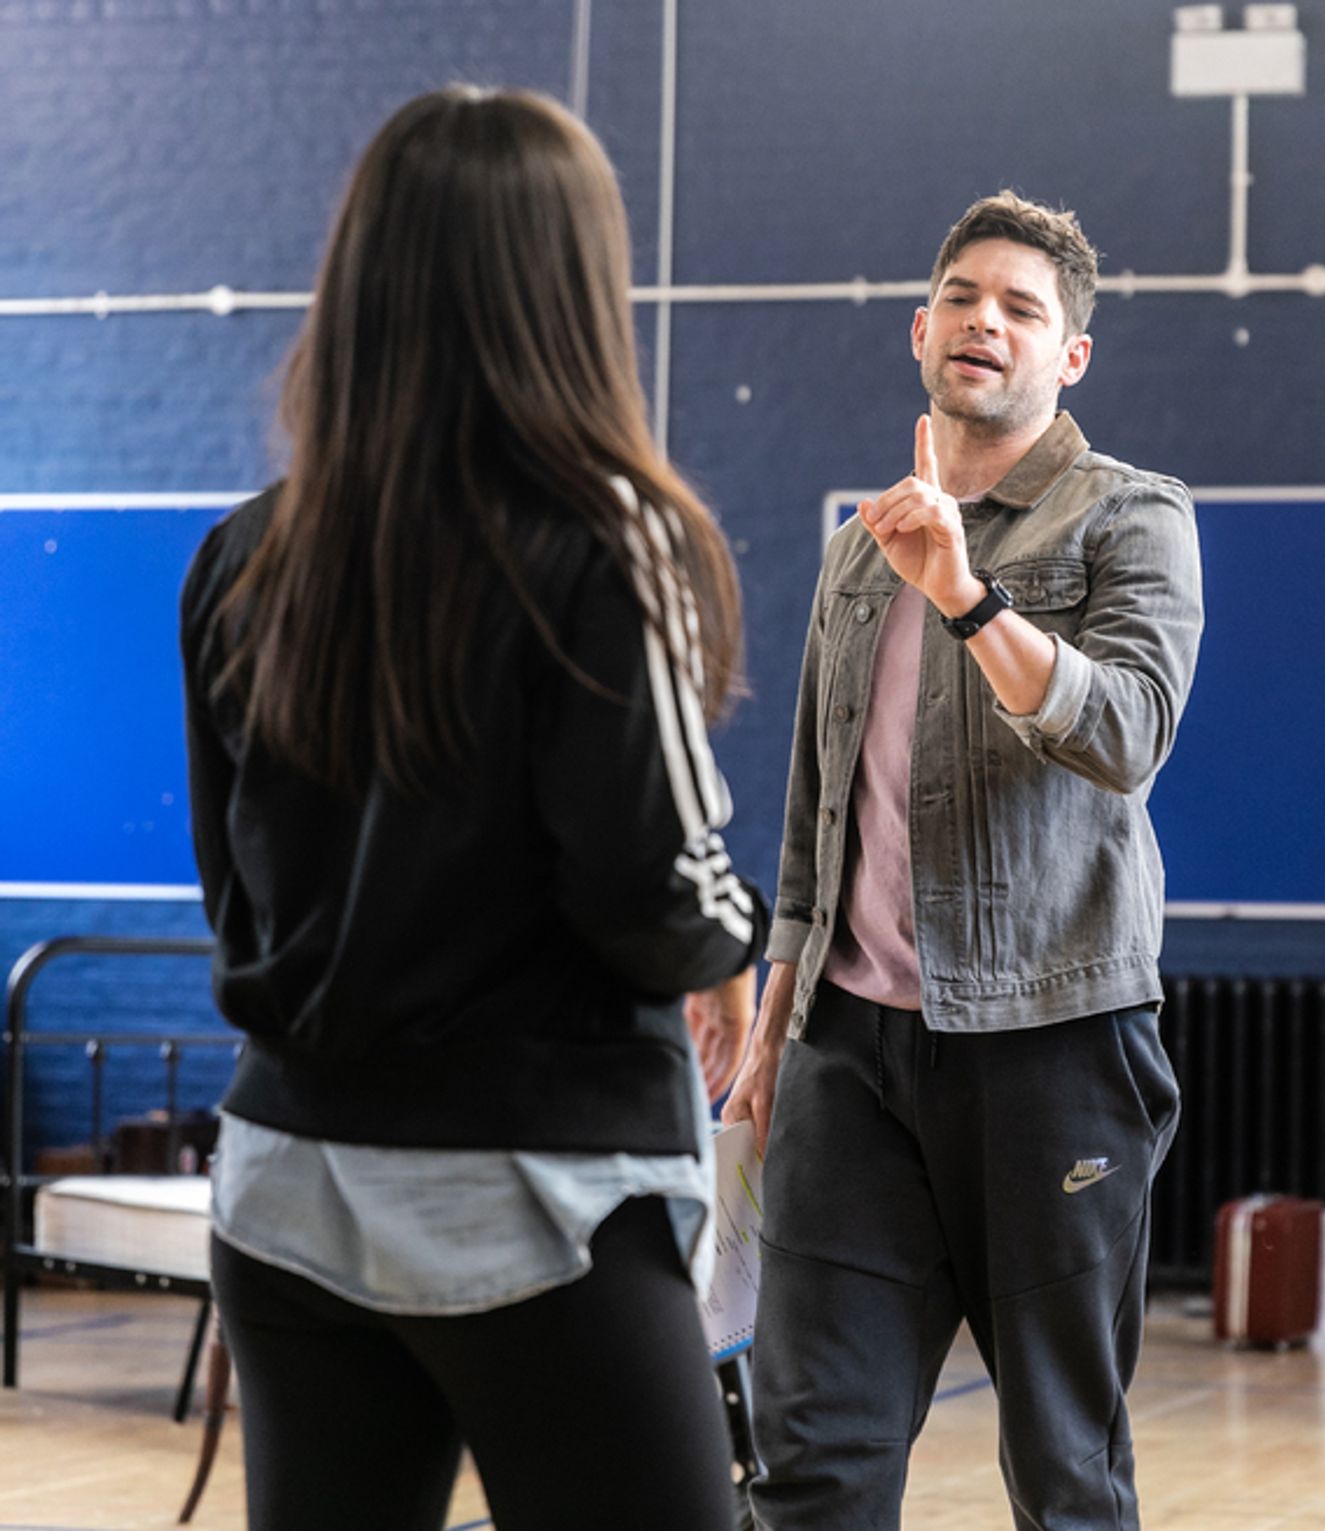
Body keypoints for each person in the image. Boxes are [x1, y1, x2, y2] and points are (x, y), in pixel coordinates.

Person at [180, 85, 767, 1531]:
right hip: (535, 1196)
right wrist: (729, 948)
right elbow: (650, 886)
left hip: (286, 1186)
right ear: (567, 285)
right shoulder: (609, 538)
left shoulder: (246, 556)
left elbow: (235, 890)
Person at [723, 191, 1204, 1530]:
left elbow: (1122, 734)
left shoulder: (1133, 522)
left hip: (1055, 1052)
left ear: (1071, 358)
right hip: (848, 1059)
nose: (987, 322)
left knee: (1064, 1475)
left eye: (1023, 309)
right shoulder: (852, 557)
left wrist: (969, 596)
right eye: (965, 298)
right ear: (920, 329)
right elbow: (816, 816)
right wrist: (775, 1025)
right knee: (810, 1462)